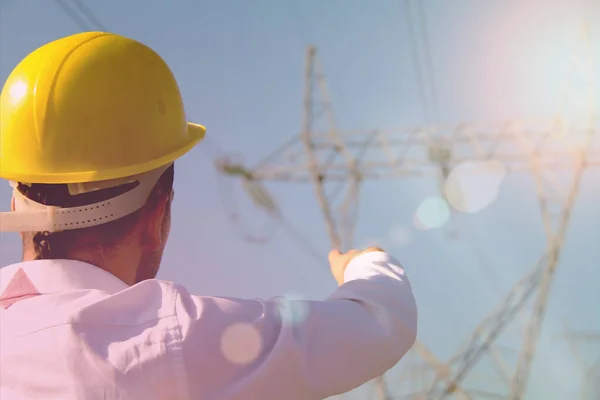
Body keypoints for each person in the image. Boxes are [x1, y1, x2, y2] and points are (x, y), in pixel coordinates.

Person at [0, 32, 417, 400]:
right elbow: (377, 325)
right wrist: (365, 264)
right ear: (157, 218)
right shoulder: (162, 342)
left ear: (17, 204)